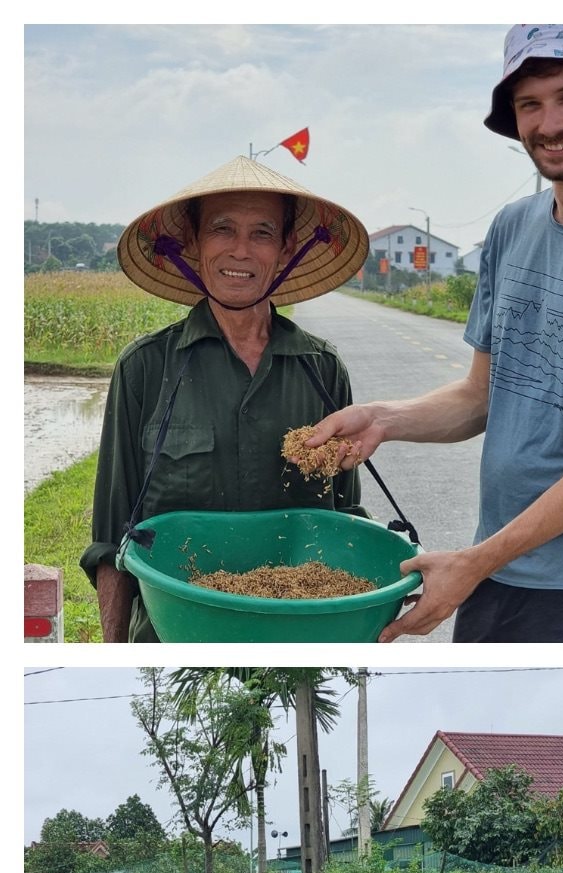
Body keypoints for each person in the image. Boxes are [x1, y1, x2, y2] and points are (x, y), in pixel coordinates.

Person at [308, 24, 563, 643]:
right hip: (498, 564)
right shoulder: (512, 227)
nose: (549, 123)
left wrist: (475, 562)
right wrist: (382, 418)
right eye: (530, 105)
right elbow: (480, 396)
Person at [82, 156, 370, 642]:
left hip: (294, 633)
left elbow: (346, 522)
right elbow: (114, 539)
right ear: (194, 244)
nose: (241, 251)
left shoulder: (321, 371)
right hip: (174, 630)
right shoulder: (146, 369)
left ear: (285, 249)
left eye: (262, 233)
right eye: (222, 229)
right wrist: (114, 652)